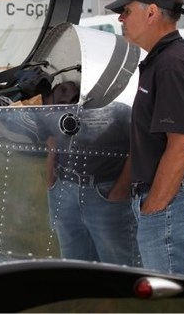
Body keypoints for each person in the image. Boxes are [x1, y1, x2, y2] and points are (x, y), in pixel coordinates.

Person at [106, 0, 184, 279]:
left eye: (126, 11)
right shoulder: (165, 60)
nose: (120, 18)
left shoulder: (170, 65)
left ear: (151, 12)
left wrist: (154, 209)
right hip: (173, 201)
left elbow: (181, 145)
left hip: (172, 202)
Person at [40, 81, 137, 266]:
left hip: (105, 194)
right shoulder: (55, 107)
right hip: (63, 189)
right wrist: (52, 183)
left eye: (73, 92)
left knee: (118, 264)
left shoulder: (121, 108)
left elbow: (139, 146)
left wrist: (120, 191)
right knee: (73, 264)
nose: (66, 96)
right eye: (63, 90)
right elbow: (51, 141)